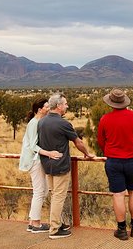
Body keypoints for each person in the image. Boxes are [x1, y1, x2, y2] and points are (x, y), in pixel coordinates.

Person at [38, 93, 93, 239]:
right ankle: (55, 229)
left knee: (54, 194)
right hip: (60, 165)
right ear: (59, 106)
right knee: (58, 196)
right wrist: (87, 153)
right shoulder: (63, 124)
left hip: (47, 165)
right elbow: (78, 142)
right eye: (66, 104)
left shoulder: (42, 122)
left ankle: (57, 222)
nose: (67, 106)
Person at [97, 88, 133, 240]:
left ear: (111, 103)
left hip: (113, 161)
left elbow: (101, 140)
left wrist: (109, 151)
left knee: (118, 194)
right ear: (125, 102)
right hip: (132, 160)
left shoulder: (105, 119)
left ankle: (121, 229)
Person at [18, 98, 62, 233]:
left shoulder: (39, 122)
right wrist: (48, 153)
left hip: (37, 160)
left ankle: (32, 221)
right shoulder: (34, 123)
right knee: (39, 191)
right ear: (39, 110)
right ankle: (36, 224)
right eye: (47, 107)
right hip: (34, 160)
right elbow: (32, 146)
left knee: (43, 190)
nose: (49, 109)